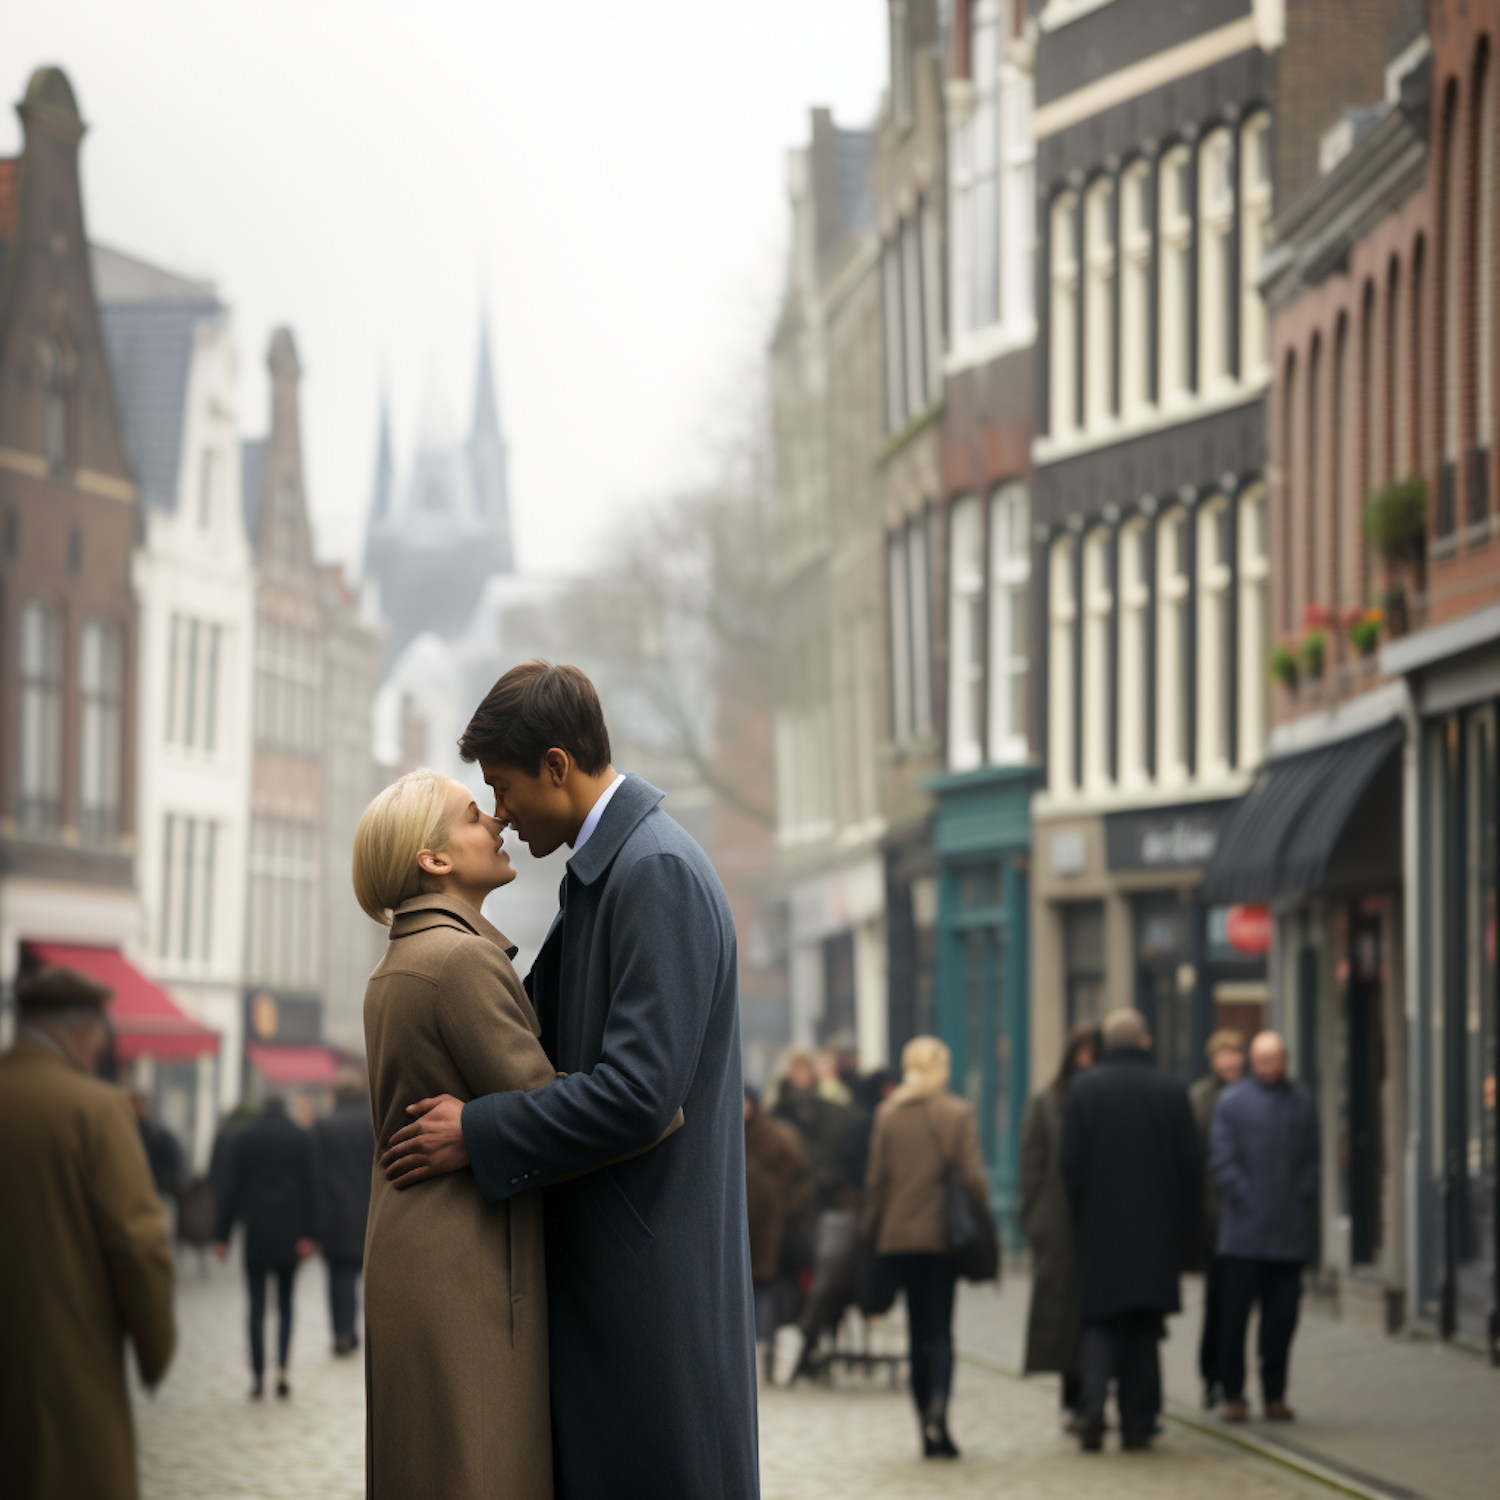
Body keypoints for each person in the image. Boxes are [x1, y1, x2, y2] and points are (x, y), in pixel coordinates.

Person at [378, 662, 758, 1499]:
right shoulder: (611, 874)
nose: (501, 813)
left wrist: (474, 1133)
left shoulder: (651, 873)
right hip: (625, 1281)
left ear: (557, 766)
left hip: (649, 1295)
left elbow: (639, 1094)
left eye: (503, 787)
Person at [0, 968, 176, 1500]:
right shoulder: (95, 1110)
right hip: (65, 1382)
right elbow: (138, 1246)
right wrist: (154, 1350)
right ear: (81, 1030)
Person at [1062, 1007, 1200, 1453]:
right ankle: (1139, 1421)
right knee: (1143, 1323)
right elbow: (1190, 1168)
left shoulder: (1084, 1090)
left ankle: (1092, 1406)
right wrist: (1184, 1232)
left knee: (1099, 1320)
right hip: (1155, 1231)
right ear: (1145, 1042)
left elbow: (1071, 1166)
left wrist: (1082, 1218)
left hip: (1100, 1229)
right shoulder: (1171, 1091)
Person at [862, 1036, 989, 1460]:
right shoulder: (955, 1113)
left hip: (898, 1239)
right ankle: (940, 1409)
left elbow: (877, 1180)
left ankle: (923, 1427)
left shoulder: (888, 1113)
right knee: (941, 1331)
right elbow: (972, 1179)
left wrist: (871, 1231)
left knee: (917, 1333)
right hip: (941, 1239)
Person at [1210, 1029, 1320, 1423]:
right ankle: (1234, 1393)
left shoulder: (1302, 1101)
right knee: (1234, 1320)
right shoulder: (1232, 1101)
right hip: (1244, 1235)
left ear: (1284, 1060)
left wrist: (1301, 1194)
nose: (1267, 1068)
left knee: (1281, 1320)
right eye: (1260, 1061)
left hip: (1288, 1234)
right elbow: (1222, 1158)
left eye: (1273, 1061)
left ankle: (1275, 1392)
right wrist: (1245, 1195)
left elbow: (1311, 1156)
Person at [1020, 1019, 1101, 1430]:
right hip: (1058, 1225)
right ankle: (1074, 1397)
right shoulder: (1046, 1101)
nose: (1087, 1061)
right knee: (1063, 1311)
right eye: (1081, 1053)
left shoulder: (1107, 1097)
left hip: (1099, 1222)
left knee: (1097, 1312)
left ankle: (1097, 1395)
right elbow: (1030, 1164)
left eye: (1093, 1053)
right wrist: (1035, 1219)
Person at [213, 1094, 318, 1399]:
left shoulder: (246, 1137)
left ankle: (258, 1376)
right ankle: (283, 1369)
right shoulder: (300, 1137)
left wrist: (223, 1234)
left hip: (257, 1230)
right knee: (286, 1303)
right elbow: (313, 1184)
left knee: (256, 1305)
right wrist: (310, 1233)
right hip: (290, 1230)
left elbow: (231, 1186)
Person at [1189, 1028, 1246, 1408]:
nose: (1228, 1061)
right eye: (1222, 1054)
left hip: (1246, 1216)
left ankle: (1232, 1380)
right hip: (1213, 1216)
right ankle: (1212, 1375)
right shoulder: (1199, 1098)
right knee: (1217, 1300)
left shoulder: (1252, 1095)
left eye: (1234, 1053)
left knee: (1238, 1303)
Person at [744, 1085, 814, 1383]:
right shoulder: (725, 1132)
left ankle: (768, 1356)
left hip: (770, 1232)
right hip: (741, 1229)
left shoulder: (777, 1136)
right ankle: (748, 1360)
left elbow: (803, 1182)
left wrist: (784, 1208)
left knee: (768, 1296)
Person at [313, 1067, 376, 1356]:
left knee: (339, 1277)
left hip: (334, 1215)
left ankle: (342, 1333)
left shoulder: (324, 1125)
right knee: (373, 1279)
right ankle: (375, 1333)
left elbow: (315, 1175)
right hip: (369, 1211)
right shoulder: (372, 1122)